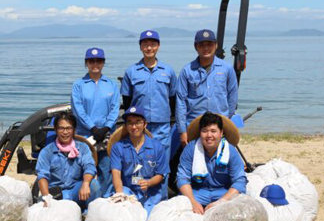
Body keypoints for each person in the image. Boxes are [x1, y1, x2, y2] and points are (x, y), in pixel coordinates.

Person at [175, 29, 238, 147]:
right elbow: (181, 102)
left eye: (209, 44)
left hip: (219, 125)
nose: (206, 48)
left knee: (219, 160)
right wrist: (182, 131)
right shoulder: (187, 70)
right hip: (195, 125)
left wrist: (225, 120)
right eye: (202, 45)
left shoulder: (227, 68)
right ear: (195, 47)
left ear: (216, 45)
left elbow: (232, 98)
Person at [121, 30, 178, 158]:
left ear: (158, 46)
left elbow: (173, 97)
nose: (149, 48)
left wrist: (172, 119)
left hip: (162, 127)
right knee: (139, 163)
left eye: (153, 44)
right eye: (145, 44)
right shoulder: (131, 71)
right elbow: (127, 101)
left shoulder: (168, 71)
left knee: (162, 164)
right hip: (139, 126)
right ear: (140, 47)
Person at [71, 47, 120, 195]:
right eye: (91, 61)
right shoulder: (78, 85)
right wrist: (92, 128)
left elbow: (115, 108)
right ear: (86, 63)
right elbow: (78, 109)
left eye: (98, 60)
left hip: (106, 135)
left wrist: (106, 127)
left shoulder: (111, 85)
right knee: (84, 168)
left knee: (106, 169)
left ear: (103, 63)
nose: (95, 64)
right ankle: (85, 200)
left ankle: (105, 200)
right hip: (86, 134)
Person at [176, 112, 246, 214]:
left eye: (213, 131)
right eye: (205, 131)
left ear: (221, 133)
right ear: (200, 132)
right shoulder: (191, 148)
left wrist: (221, 202)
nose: (209, 135)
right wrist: (193, 202)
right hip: (197, 193)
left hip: (223, 192)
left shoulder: (230, 151)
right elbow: (182, 178)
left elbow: (240, 181)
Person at [109, 106, 170, 215]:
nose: (134, 127)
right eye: (130, 123)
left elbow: (160, 174)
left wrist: (149, 183)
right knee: (121, 215)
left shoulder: (157, 146)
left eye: (138, 122)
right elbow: (116, 173)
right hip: (127, 190)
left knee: (149, 220)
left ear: (145, 124)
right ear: (126, 126)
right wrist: (119, 193)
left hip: (151, 193)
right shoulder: (118, 147)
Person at [35, 112, 100, 209]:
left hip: (76, 192)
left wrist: (86, 183)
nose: (65, 132)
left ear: (74, 130)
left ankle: (86, 214)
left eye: (69, 128)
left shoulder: (83, 148)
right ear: (56, 130)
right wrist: (46, 198)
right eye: (61, 128)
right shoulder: (46, 151)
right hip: (56, 194)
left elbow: (90, 167)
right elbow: (42, 176)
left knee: (94, 185)